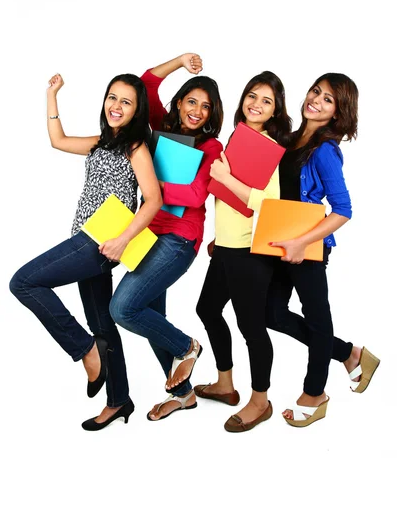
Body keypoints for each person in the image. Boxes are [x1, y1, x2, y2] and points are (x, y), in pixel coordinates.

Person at [9, 72, 162, 430]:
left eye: (126, 101)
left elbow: (153, 199)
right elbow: (57, 140)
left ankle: (84, 350)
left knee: (23, 283)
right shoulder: (99, 143)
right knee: (102, 323)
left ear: (137, 109)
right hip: (86, 236)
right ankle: (119, 400)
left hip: (99, 241)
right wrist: (52, 95)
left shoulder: (135, 146)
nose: (116, 106)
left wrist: (123, 239)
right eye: (112, 97)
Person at [107, 53, 224, 423]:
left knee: (123, 308)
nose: (197, 111)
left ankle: (186, 347)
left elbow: (194, 196)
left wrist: (152, 187)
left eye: (206, 107)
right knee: (151, 314)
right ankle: (184, 395)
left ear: (211, 114)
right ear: (179, 102)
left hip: (179, 240)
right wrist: (180, 61)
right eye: (192, 101)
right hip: (147, 231)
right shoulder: (158, 126)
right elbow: (146, 82)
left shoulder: (210, 147)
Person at [263, 72, 377, 426]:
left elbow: (343, 209)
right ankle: (350, 354)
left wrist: (303, 242)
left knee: (317, 317)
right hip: (280, 242)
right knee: (272, 314)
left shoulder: (325, 150)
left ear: (338, 113)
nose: (317, 100)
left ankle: (314, 394)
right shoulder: (293, 139)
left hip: (307, 247)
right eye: (316, 92)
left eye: (328, 99)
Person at [195, 71, 291, 432]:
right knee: (207, 308)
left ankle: (260, 401)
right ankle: (225, 383)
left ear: (274, 111)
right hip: (227, 247)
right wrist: (220, 237)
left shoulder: (268, 147)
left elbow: (269, 202)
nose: (256, 104)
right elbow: (230, 201)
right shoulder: (239, 138)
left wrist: (225, 177)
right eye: (252, 95)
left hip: (250, 252)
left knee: (251, 327)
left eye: (266, 100)